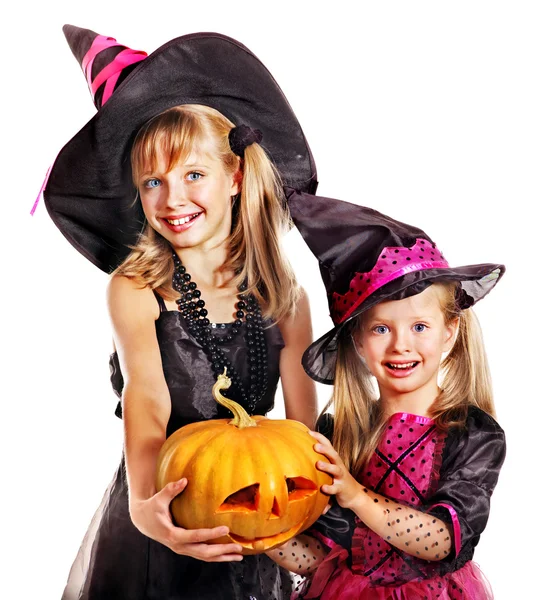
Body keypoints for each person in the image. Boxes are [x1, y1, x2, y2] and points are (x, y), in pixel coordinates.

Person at [44, 25, 319, 600]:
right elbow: (146, 396)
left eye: (194, 175)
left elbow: (302, 429)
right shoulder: (136, 287)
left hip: (257, 507)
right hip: (162, 505)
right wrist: (147, 508)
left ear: (236, 177)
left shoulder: (283, 295)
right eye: (153, 182)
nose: (173, 200)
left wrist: (319, 505)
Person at [267, 190, 506, 599]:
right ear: (357, 340)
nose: (400, 346)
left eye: (419, 327)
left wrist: (355, 495)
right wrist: (264, 532)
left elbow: (443, 541)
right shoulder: (338, 430)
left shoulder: (472, 434)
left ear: (450, 330)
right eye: (381, 329)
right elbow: (318, 557)